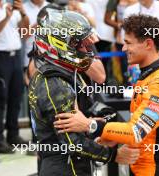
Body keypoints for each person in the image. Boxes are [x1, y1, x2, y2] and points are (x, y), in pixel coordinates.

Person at [54, 14, 159, 176]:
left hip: (157, 170)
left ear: (148, 43)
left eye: (128, 43)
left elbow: (136, 132)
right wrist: (114, 136)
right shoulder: (149, 76)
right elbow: (144, 129)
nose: (123, 48)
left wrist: (90, 125)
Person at [28, 5, 140, 176]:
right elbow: (72, 143)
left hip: (72, 164)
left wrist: (92, 126)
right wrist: (114, 155)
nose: (88, 51)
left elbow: (75, 129)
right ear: (61, 44)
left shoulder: (63, 72)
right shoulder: (55, 82)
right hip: (65, 168)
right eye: (81, 45)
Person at [0, 0, 29, 153]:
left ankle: (13, 134)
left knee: (16, 97)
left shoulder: (9, 6)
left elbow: (24, 31)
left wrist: (23, 13)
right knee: (0, 98)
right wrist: (6, 18)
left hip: (15, 56)